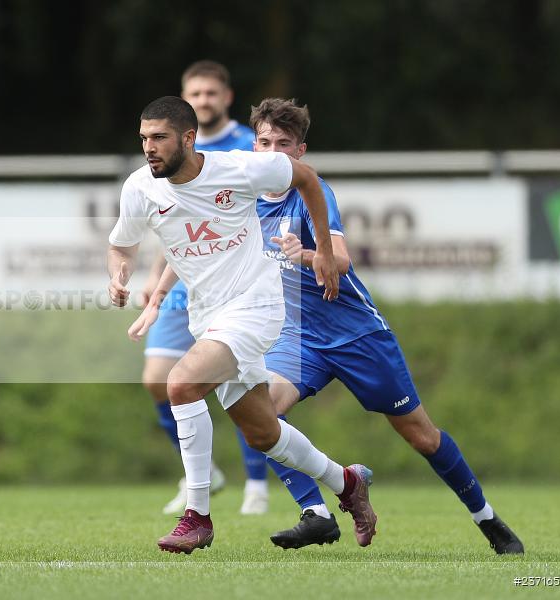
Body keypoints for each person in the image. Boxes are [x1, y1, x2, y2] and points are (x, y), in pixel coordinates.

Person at [248, 97, 524, 555]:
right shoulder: (243, 200)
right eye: (264, 141)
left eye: (283, 143)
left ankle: (486, 517)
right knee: (260, 414)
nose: (272, 151)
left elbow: (340, 261)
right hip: (300, 338)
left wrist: (305, 254)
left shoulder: (314, 192)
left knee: (421, 435)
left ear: (300, 152)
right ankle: (317, 513)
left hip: (357, 334)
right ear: (253, 145)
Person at [107, 95, 377, 554]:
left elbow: (307, 178)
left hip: (256, 306)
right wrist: (120, 274)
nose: (148, 148)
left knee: (181, 384)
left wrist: (327, 254)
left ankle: (197, 517)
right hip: (208, 316)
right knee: (263, 432)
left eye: (158, 138)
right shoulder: (139, 188)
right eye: (143, 139)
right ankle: (346, 481)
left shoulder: (239, 168)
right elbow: (122, 244)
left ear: (188, 139)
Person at [140, 60, 280, 516]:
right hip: (185, 279)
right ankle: (200, 474)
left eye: (210, 94)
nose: (203, 101)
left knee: (240, 387)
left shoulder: (246, 148)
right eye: (194, 94)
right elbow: (174, 224)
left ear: (227, 97)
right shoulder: (165, 153)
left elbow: (289, 191)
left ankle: (255, 486)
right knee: (158, 379)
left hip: (237, 279)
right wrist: (154, 284)